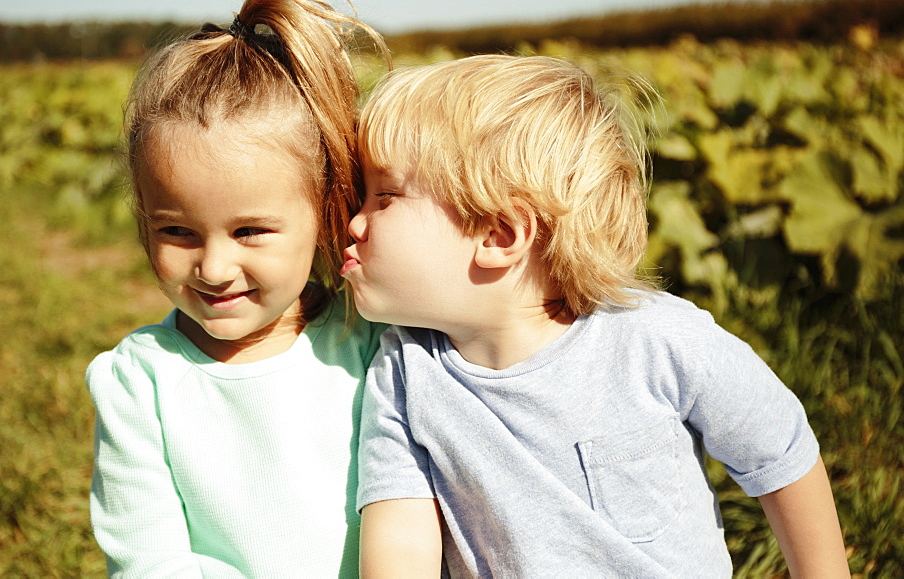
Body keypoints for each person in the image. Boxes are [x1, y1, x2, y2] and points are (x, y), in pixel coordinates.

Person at [341, 55, 849, 577]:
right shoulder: (406, 369)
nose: (354, 222)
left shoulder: (656, 339)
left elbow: (781, 453)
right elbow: (400, 532)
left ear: (498, 236)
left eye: (384, 197)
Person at [86, 0, 388, 577]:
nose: (215, 269)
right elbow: (151, 560)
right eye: (177, 231)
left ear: (327, 208)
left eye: (250, 231)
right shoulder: (139, 383)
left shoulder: (375, 343)